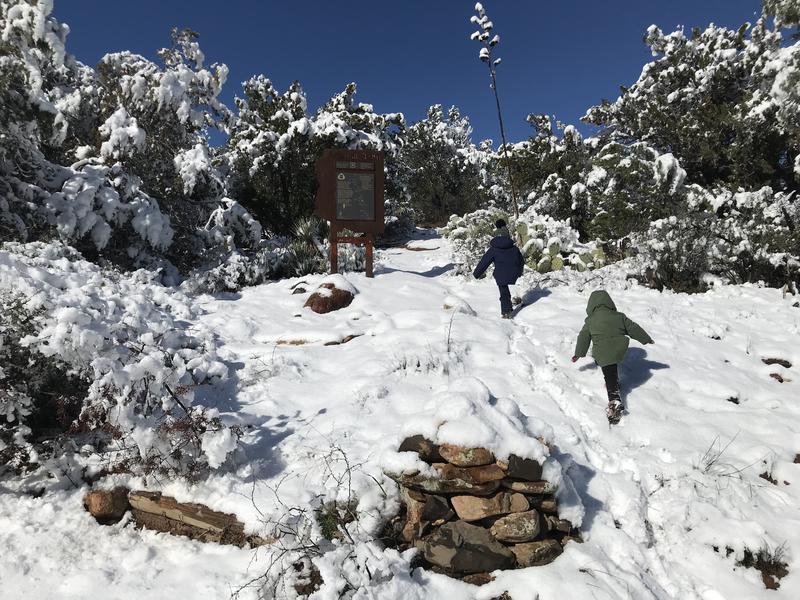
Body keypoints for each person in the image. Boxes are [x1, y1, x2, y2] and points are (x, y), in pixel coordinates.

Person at [571, 290, 654, 424]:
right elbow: (633, 328)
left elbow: (583, 338)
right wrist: (646, 339)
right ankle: (614, 383)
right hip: (619, 349)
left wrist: (578, 354)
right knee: (611, 363)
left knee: (607, 367)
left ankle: (614, 400)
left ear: (591, 306)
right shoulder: (619, 316)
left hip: (603, 352)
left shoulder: (590, 321)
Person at [473, 219, 524, 318]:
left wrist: (476, 274)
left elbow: (484, 262)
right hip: (513, 273)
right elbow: (521, 261)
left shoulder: (494, 249)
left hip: (500, 274)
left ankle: (506, 312)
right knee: (505, 288)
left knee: (503, 290)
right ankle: (509, 307)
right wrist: (519, 272)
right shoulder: (514, 248)